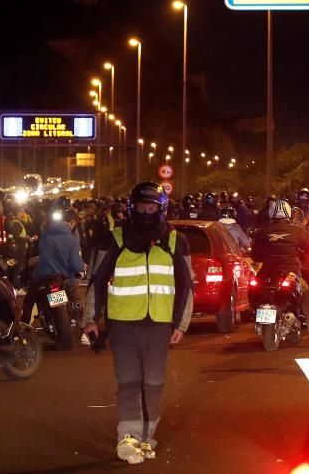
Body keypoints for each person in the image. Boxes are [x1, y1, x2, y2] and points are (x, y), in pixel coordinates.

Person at [82, 182, 193, 465]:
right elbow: (95, 282)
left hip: (159, 325)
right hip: (123, 324)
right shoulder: (114, 239)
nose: (146, 211)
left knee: (154, 384)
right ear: (132, 208)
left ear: (161, 209)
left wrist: (181, 324)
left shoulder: (175, 241)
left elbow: (186, 286)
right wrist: (91, 320)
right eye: (142, 206)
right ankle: (128, 438)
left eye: (152, 207)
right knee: (129, 383)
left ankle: (147, 437)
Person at [250, 199, 309, 347]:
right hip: (290, 272)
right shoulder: (297, 230)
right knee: (308, 300)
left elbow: (255, 255)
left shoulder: (263, 231)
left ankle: (260, 321)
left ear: (271, 213)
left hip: (267, 273)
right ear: (289, 213)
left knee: (256, 289)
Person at [22, 208, 85, 324]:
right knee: (75, 295)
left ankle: (23, 329)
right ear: (72, 223)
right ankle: (81, 327)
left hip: (45, 275)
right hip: (63, 276)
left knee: (29, 301)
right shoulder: (72, 238)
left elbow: (40, 255)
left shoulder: (47, 233)